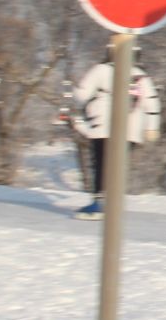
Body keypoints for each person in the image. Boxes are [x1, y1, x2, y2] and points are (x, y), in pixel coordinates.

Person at [69, 60, 161, 219]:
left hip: (104, 125)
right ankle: (112, 203)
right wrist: (152, 127)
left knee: (101, 164)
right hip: (131, 130)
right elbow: (152, 103)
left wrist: (72, 89)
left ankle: (99, 204)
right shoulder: (140, 75)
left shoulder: (101, 70)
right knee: (117, 166)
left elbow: (81, 94)